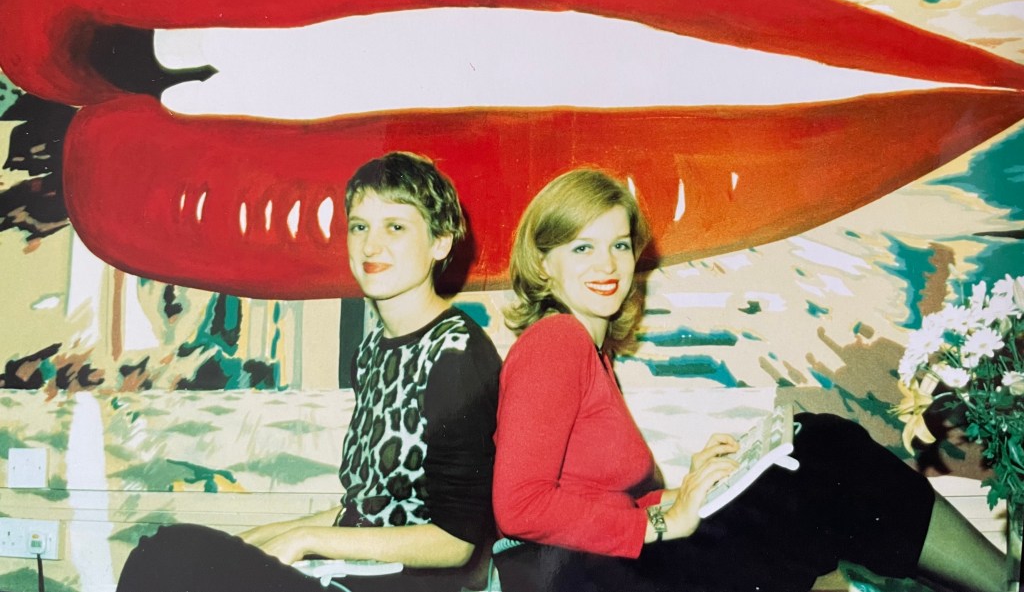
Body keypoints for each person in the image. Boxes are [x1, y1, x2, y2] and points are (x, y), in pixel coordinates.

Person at [491, 168, 1006, 592]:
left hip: (604, 567)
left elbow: (594, 499)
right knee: (825, 450)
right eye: (582, 248)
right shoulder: (557, 341)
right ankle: (1003, 581)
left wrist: (692, 488)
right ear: (543, 262)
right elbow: (518, 507)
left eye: (620, 246)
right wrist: (663, 522)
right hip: (598, 579)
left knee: (807, 448)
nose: (607, 265)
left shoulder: (585, 347)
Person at [116, 152, 502, 592]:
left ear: (440, 243)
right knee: (173, 553)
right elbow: (361, 509)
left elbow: (456, 542)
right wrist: (255, 540)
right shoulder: (374, 349)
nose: (371, 246)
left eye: (395, 227)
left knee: (167, 553)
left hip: (402, 587)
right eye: (360, 226)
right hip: (352, 575)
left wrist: (305, 538)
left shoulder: (457, 354)